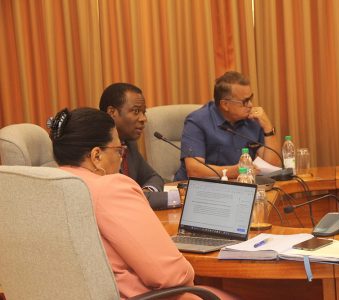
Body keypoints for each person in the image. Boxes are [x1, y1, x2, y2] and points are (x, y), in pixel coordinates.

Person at [48, 107, 236, 300]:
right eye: (118, 150)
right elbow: (169, 275)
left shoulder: (43, 188)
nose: (121, 157)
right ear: (97, 156)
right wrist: (188, 272)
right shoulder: (109, 188)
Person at [175, 71, 281, 180]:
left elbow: (272, 167)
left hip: (240, 187)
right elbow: (194, 170)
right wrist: (234, 172)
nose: (251, 105)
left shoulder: (252, 120)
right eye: (245, 101)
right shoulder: (197, 121)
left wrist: (268, 128)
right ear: (225, 104)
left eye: (251, 98)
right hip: (198, 190)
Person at [99, 83, 164, 192]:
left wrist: (146, 192)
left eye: (144, 112)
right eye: (136, 111)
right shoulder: (96, 149)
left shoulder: (128, 143)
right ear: (112, 112)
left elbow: (153, 178)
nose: (143, 118)